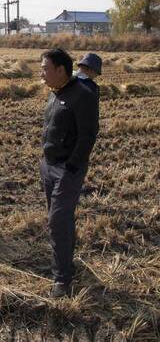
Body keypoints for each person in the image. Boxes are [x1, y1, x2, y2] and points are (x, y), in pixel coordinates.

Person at [40, 48, 99, 298]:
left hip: (67, 169)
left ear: (60, 70)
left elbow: (88, 134)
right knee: (61, 221)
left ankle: (62, 279)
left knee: (58, 221)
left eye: (45, 68)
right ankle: (66, 264)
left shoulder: (82, 95)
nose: (41, 73)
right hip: (49, 166)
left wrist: (73, 165)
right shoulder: (57, 93)